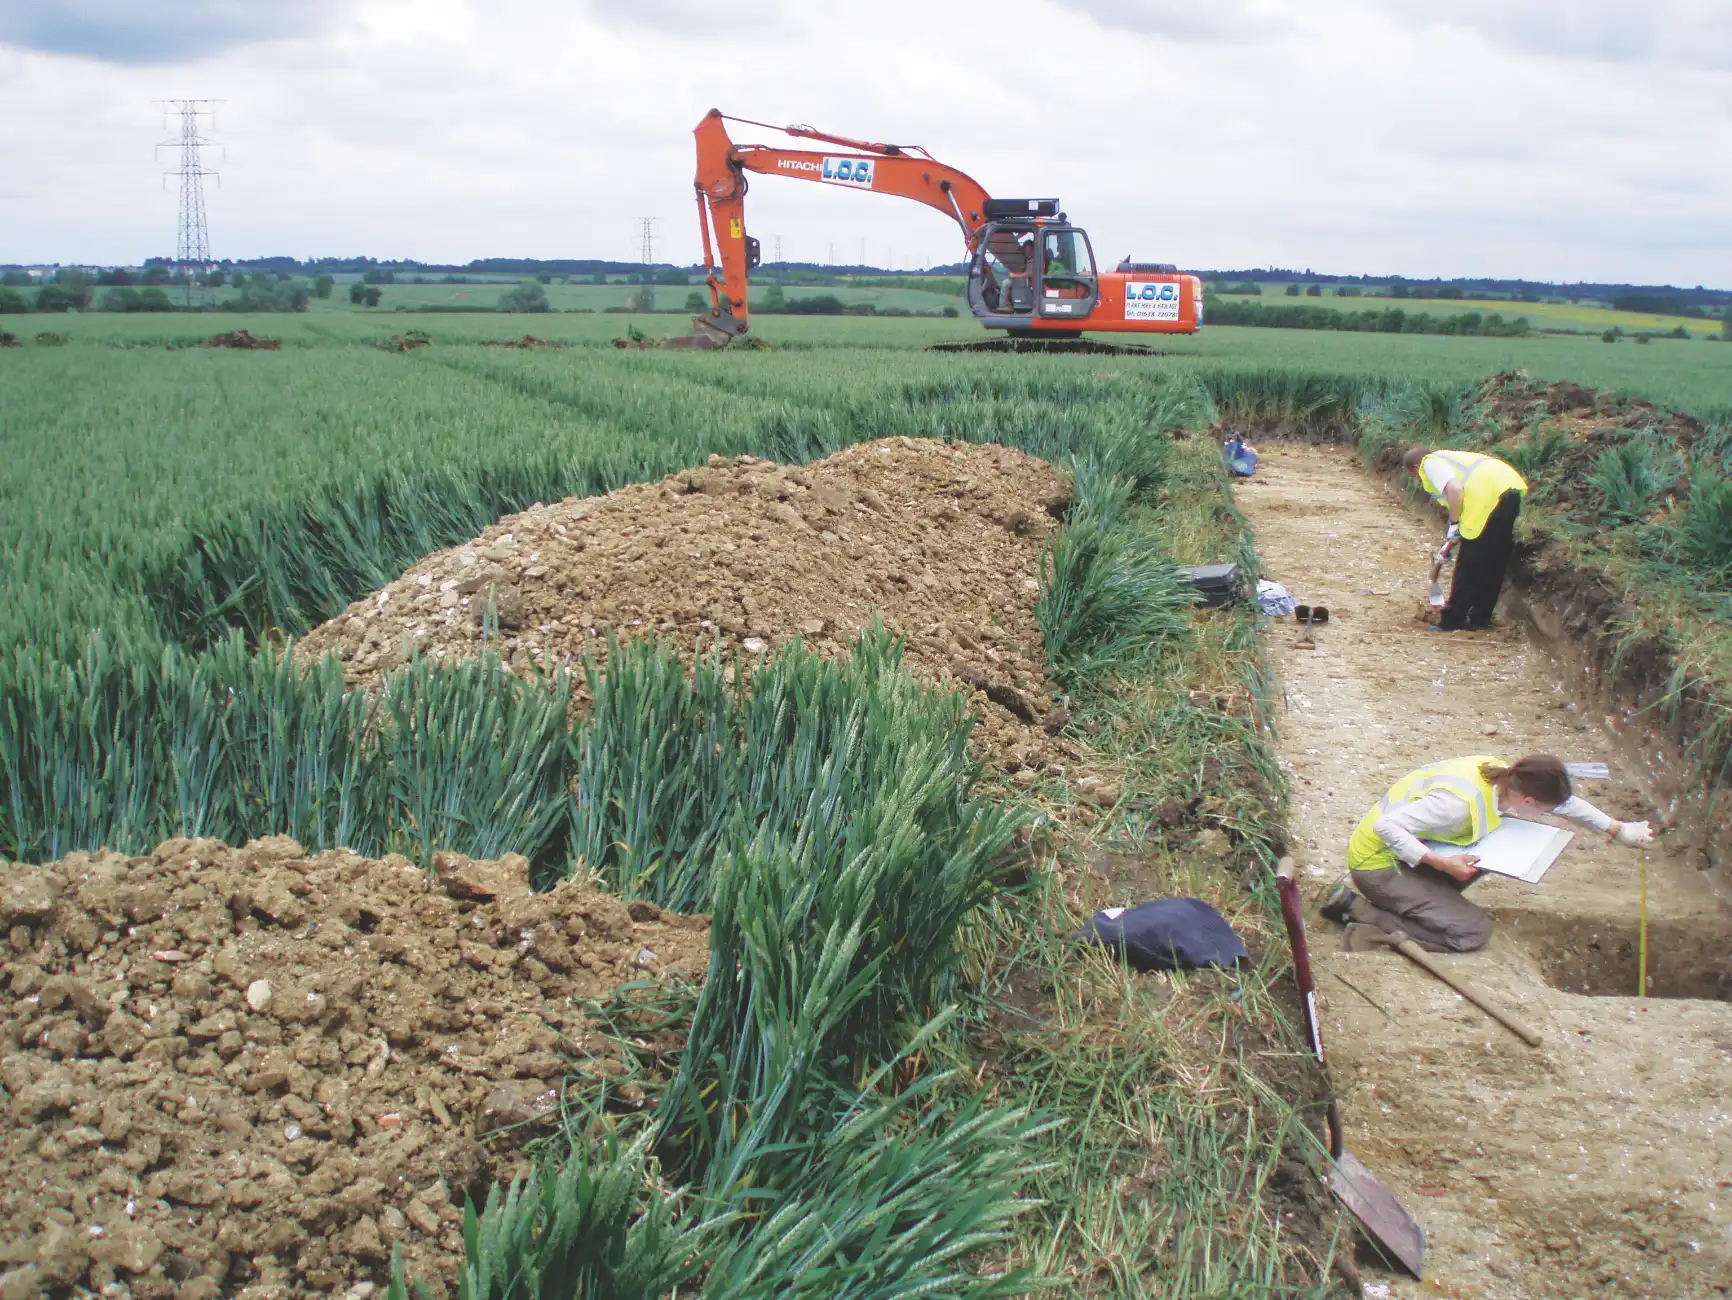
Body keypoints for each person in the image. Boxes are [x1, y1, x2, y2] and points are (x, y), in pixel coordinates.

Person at [1318, 753, 1652, 953]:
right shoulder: (1457, 803)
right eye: (1544, 809)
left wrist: (1617, 829)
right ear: (1529, 802)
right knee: (1472, 932)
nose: (1549, 812)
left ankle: (1416, 903)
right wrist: (1442, 864)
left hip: (1406, 856)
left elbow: (1564, 804)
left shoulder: (1505, 775)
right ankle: (1368, 920)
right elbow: (1387, 827)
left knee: (1487, 853)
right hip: (1378, 866)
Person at [1403, 446, 1527, 631]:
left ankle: (1451, 622)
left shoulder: (1429, 463)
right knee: (1493, 564)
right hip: (1508, 492)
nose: (1418, 480)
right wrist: (1454, 534)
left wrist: (1454, 525)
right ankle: (1480, 620)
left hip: (1488, 500)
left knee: (1469, 565)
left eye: (1414, 476)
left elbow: (1455, 489)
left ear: (1415, 468)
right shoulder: (1452, 458)